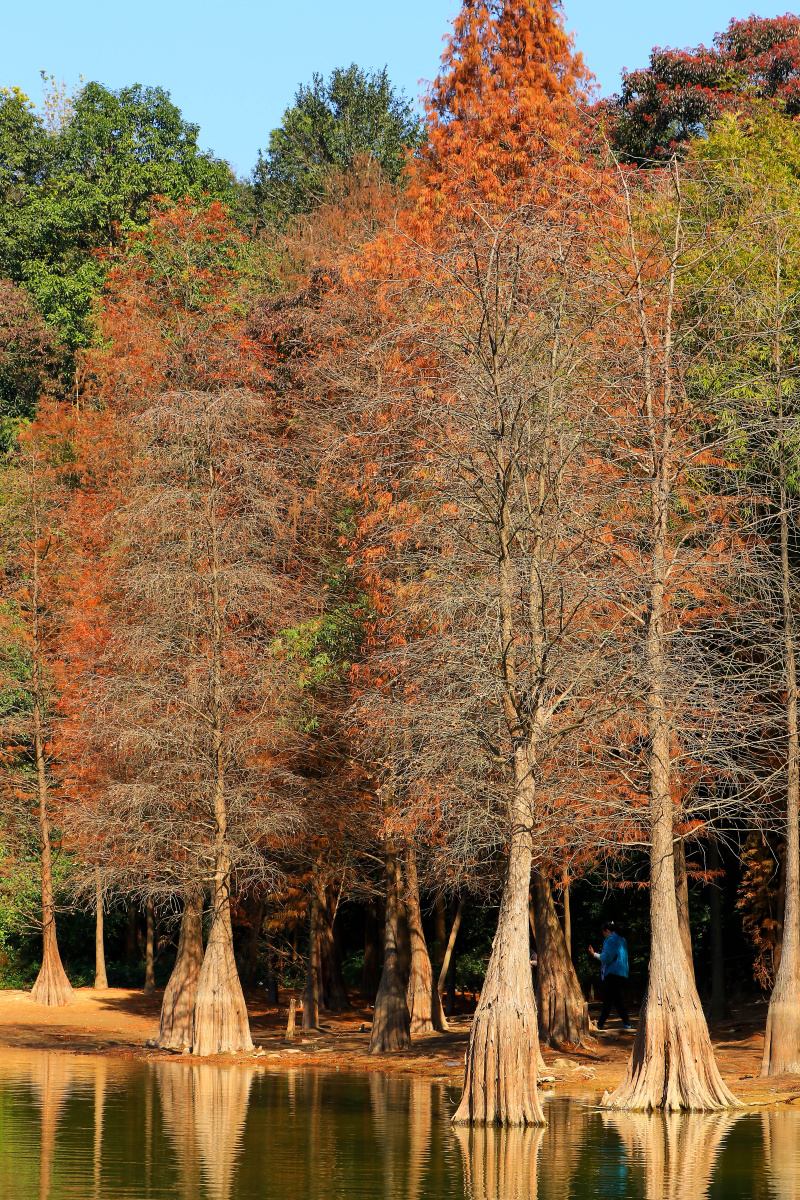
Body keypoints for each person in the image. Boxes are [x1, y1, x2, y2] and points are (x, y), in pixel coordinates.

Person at [589, 921, 632, 1031]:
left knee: (611, 1000)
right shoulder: (622, 939)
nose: (603, 935)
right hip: (622, 973)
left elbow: (607, 957)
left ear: (607, 931)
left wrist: (594, 954)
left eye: (603, 932)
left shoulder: (610, 939)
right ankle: (625, 1024)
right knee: (613, 999)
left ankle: (600, 1025)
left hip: (613, 973)